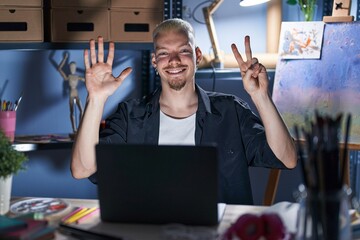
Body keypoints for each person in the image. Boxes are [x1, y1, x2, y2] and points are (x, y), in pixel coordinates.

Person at [71, 18, 297, 204]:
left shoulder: (231, 111)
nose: (174, 61)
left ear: (197, 56)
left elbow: (287, 158)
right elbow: (82, 169)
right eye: (163, 54)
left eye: (183, 50)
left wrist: (261, 97)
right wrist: (96, 99)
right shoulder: (130, 116)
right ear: (154, 62)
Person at [57, 52, 85, 133]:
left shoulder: (77, 77)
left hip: (76, 93)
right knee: (72, 112)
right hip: (71, 94)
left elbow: (86, 78)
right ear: (69, 68)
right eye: (71, 67)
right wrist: (64, 59)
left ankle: (80, 127)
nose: (72, 69)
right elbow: (59, 69)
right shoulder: (68, 77)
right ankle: (74, 129)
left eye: (74, 67)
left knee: (81, 110)